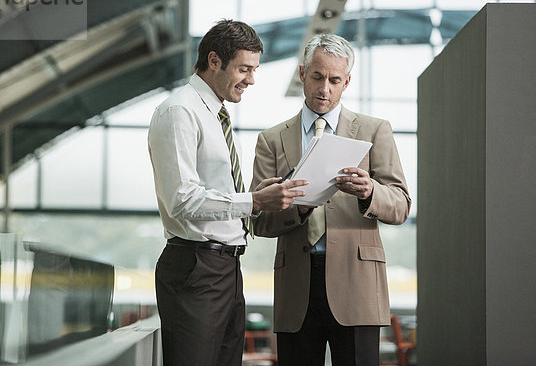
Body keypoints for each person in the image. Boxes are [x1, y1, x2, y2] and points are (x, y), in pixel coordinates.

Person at [147, 19, 308, 366]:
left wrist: (254, 195)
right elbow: (182, 200)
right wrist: (253, 201)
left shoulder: (214, 113)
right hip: (196, 267)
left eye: (254, 69)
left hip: (227, 269)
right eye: (244, 69)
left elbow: (213, 190)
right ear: (215, 60)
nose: (250, 79)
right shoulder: (180, 112)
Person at [250, 34, 411, 366]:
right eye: (317, 77)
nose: (325, 88)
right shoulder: (271, 140)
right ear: (302, 74)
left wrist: (369, 193)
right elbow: (259, 221)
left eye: (335, 80)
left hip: (359, 283)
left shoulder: (374, 130)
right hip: (297, 285)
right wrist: (300, 205)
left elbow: (401, 204)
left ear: (347, 81)